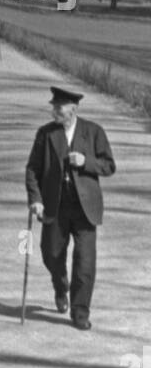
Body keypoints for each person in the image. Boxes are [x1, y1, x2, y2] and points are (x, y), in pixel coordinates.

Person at [25, 86, 116, 331]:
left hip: (86, 208)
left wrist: (87, 162)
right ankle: (60, 285)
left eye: (59, 107)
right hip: (55, 207)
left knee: (85, 263)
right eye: (53, 106)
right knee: (51, 254)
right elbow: (32, 169)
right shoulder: (45, 134)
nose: (54, 111)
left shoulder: (93, 131)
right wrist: (36, 199)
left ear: (73, 109)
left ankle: (80, 312)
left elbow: (109, 166)